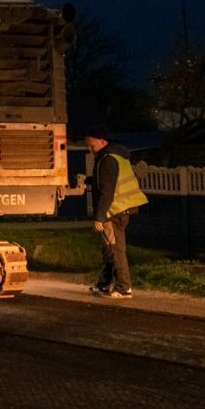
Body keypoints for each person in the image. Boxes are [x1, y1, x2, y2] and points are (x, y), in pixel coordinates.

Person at [84, 124, 147, 299]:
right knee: (109, 248)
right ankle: (103, 285)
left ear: (103, 142)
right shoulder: (115, 156)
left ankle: (123, 288)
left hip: (113, 211)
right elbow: (108, 182)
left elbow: (107, 191)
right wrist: (89, 180)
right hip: (122, 208)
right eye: (88, 146)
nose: (90, 149)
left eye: (92, 145)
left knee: (114, 249)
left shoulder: (107, 160)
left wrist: (99, 217)